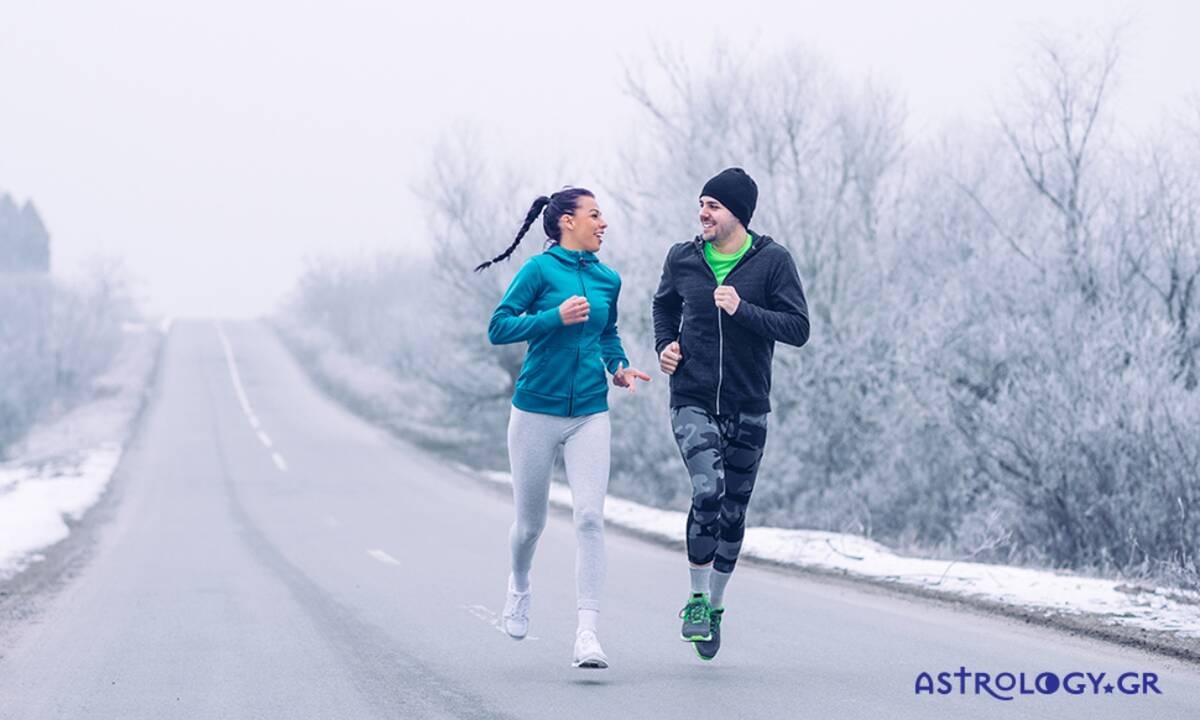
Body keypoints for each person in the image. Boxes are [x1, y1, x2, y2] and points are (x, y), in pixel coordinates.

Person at [478, 187, 651, 669]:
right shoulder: (538, 270)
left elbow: (607, 333)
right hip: (535, 410)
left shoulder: (607, 279)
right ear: (566, 223)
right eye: (595, 215)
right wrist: (554, 317)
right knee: (530, 525)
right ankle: (519, 584)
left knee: (591, 519)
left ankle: (587, 635)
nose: (604, 224)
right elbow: (499, 327)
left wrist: (618, 366)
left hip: (590, 413)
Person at [652, 168, 810, 661]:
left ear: (737, 214)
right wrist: (665, 346)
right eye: (701, 203)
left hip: (748, 405)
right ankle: (696, 600)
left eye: (713, 206)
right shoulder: (683, 258)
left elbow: (798, 327)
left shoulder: (772, 262)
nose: (703, 212)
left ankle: (716, 607)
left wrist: (744, 309)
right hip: (692, 397)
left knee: (735, 511)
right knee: (708, 491)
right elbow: (663, 307)